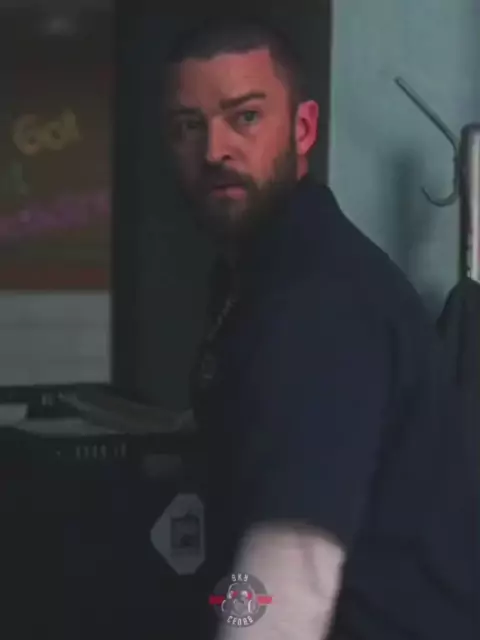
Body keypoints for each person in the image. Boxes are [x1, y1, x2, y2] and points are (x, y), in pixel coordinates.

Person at [163, 16, 476, 640]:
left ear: (303, 129)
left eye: (245, 117)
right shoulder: (253, 273)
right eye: (189, 126)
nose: (215, 149)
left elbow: (290, 574)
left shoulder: (319, 299)